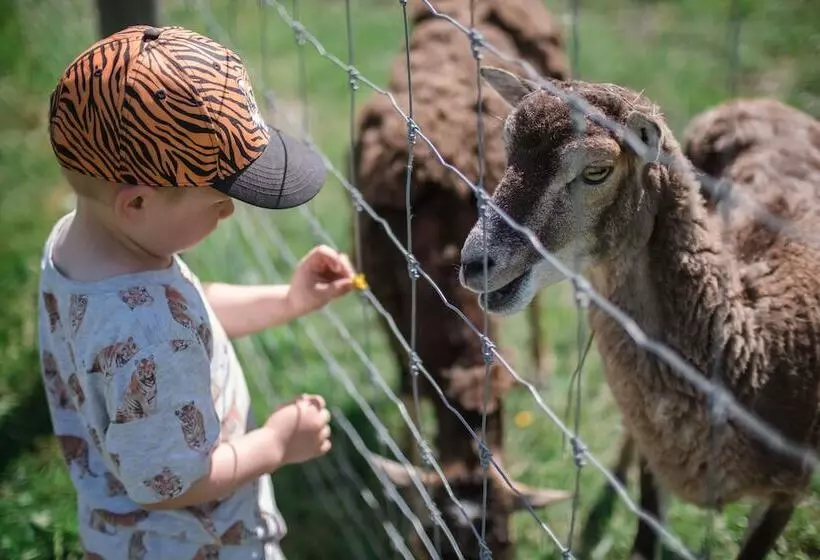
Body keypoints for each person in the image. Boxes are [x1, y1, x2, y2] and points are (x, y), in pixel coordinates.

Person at [38, 24, 356, 559]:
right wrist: (276, 444)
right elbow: (172, 483)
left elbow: (187, 307)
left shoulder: (77, 249)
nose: (229, 210)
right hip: (196, 544)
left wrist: (289, 300)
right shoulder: (152, 339)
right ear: (136, 204)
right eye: (217, 199)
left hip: (122, 536)